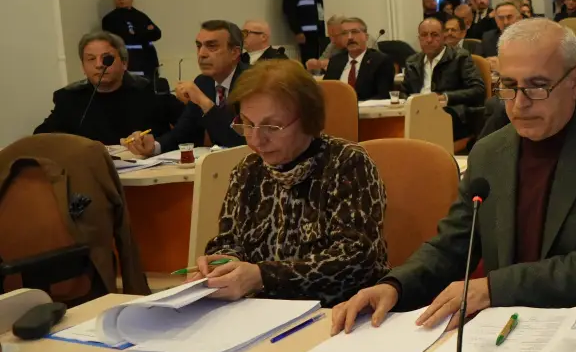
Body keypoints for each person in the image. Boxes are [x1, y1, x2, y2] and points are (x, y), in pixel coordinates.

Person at [330, 19, 576, 332]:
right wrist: (395, 285)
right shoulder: (489, 152)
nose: (519, 104)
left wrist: (493, 288)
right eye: (509, 86)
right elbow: (453, 245)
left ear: (574, 82)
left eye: (537, 86)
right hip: (509, 329)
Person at [189, 60, 388, 306]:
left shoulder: (347, 163)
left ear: (308, 119)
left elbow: (355, 259)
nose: (256, 140)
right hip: (261, 311)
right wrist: (224, 264)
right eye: (248, 124)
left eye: (272, 127)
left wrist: (262, 276)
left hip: (342, 310)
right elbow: (228, 241)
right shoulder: (247, 170)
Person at [125, 20, 248, 156]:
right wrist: (154, 146)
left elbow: (242, 142)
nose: (202, 54)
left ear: (235, 53)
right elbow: (183, 132)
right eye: (199, 46)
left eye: (212, 46)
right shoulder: (203, 82)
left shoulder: (253, 82)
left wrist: (204, 102)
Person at [36, 31, 178, 145]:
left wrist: (157, 144)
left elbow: (186, 128)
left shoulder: (151, 91)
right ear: (83, 67)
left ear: (124, 63)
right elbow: (40, 139)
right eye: (91, 59)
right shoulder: (70, 98)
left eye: (106, 58)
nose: (99, 65)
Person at [403, 17, 486, 138]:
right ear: (419, 38)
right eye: (424, 35)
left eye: (434, 35)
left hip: (451, 113)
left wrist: (446, 97)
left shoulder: (460, 57)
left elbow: (478, 90)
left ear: (443, 37)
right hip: (418, 111)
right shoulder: (412, 62)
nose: (429, 40)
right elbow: (404, 92)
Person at [323, 17, 396, 101]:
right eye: (344, 33)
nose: (349, 37)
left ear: (366, 37)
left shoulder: (380, 61)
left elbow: (383, 96)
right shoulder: (335, 61)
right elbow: (325, 92)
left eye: (354, 32)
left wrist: (355, 105)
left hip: (367, 108)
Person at [101, 0, 162, 84]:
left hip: (149, 60)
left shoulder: (141, 16)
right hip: (130, 61)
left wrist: (137, 32)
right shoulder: (110, 19)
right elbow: (123, 38)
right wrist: (145, 31)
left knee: (151, 87)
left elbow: (157, 34)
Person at [480, 1, 523, 66]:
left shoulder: (530, 39)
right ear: (496, 20)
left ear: (519, 18)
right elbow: (480, 62)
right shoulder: (487, 37)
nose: (505, 22)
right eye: (501, 18)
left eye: (509, 17)